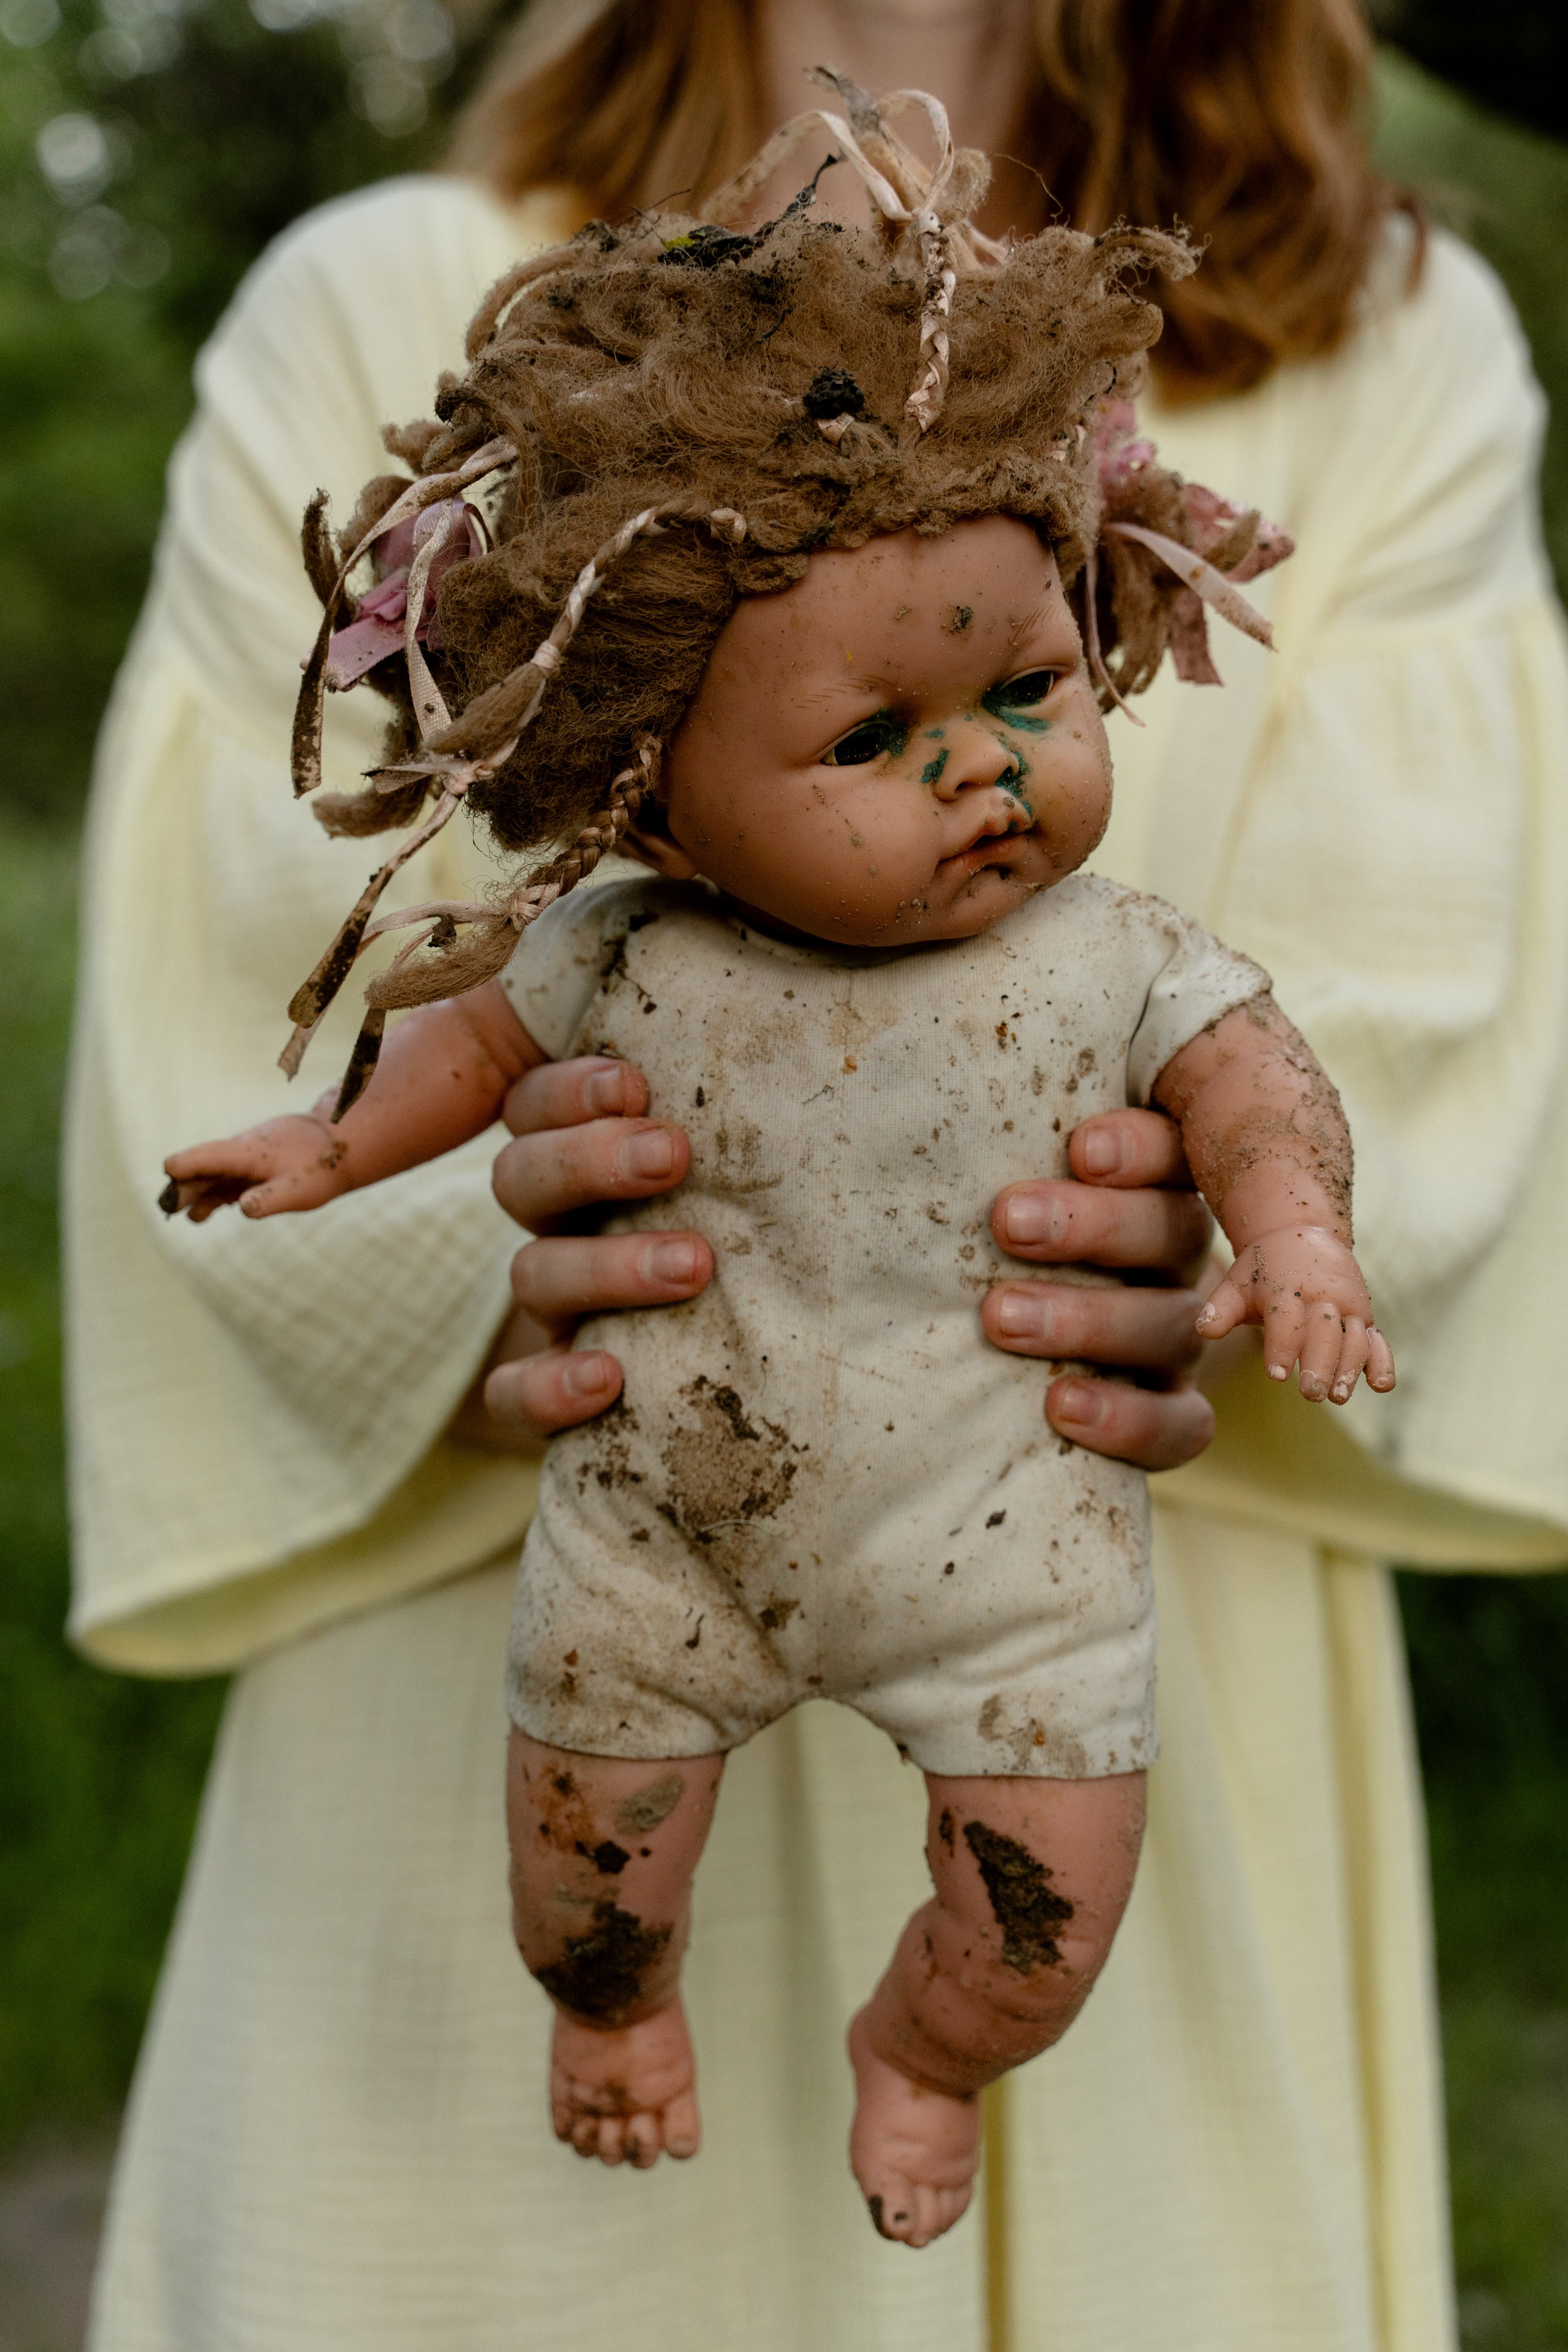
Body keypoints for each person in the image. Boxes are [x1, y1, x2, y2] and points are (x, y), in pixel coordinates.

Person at [67, 2, 1568, 2346]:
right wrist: (509, 1250)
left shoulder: (1374, 333)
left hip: (1116, 1576)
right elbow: (256, 974)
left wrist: (1211, 1236)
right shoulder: (389, 298)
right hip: (560, 1553)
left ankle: (940, 2045)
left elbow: (1447, 975)